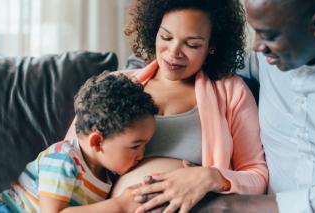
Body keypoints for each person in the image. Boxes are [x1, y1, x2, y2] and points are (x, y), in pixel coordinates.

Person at [66, 0, 268, 212]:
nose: (174, 52)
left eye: (192, 44)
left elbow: (257, 176)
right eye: (166, 37)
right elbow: (67, 157)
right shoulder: (115, 86)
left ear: (212, 46)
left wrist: (210, 177)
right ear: (153, 31)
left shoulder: (230, 91)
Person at [196, 0, 315, 212]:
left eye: (269, 36)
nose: (256, 47)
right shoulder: (276, 50)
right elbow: (217, 58)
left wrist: (225, 206)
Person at [0, 72, 158, 213]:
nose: (141, 155)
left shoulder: (106, 175)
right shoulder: (62, 159)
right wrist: (120, 205)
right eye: (135, 146)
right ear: (97, 142)